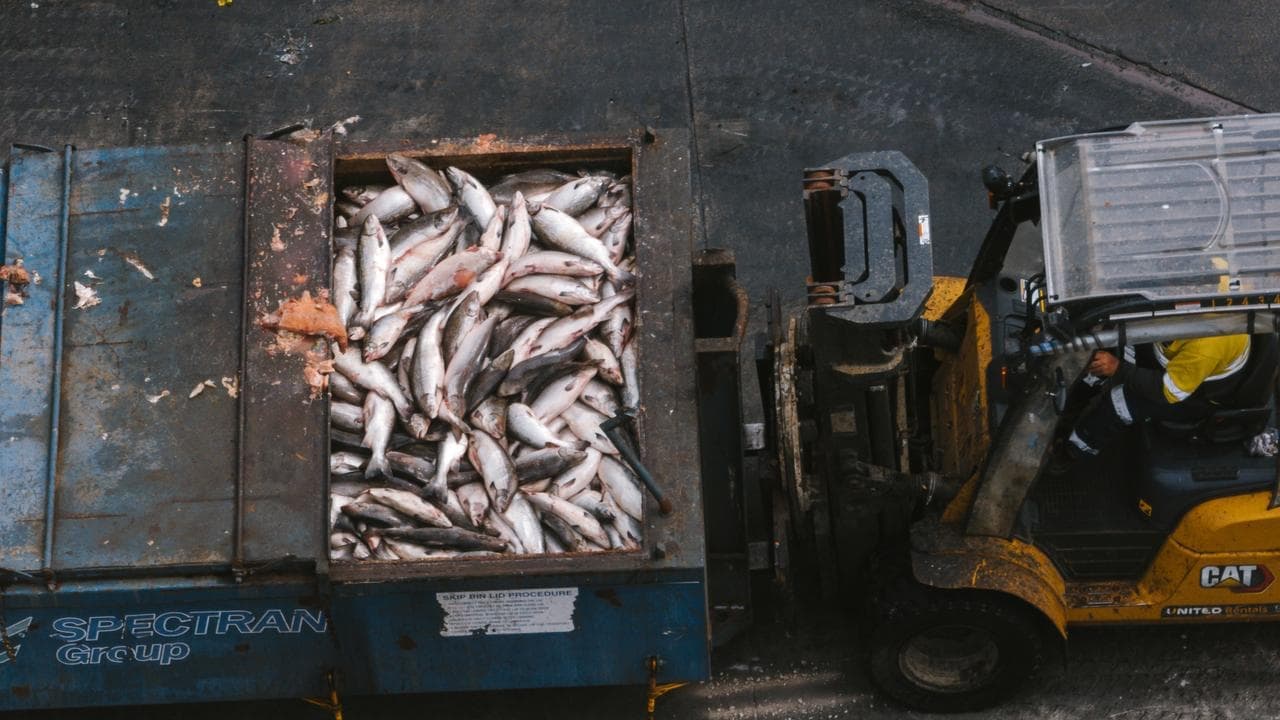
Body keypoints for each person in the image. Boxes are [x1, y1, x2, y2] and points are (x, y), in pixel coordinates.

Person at [1055, 334, 1252, 465]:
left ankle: (1074, 451)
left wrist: (1119, 368)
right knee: (1109, 351)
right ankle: (1071, 405)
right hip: (1173, 358)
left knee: (1120, 401)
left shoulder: (1207, 346)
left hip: (1192, 395)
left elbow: (1168, 390)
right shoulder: (1197, 292)